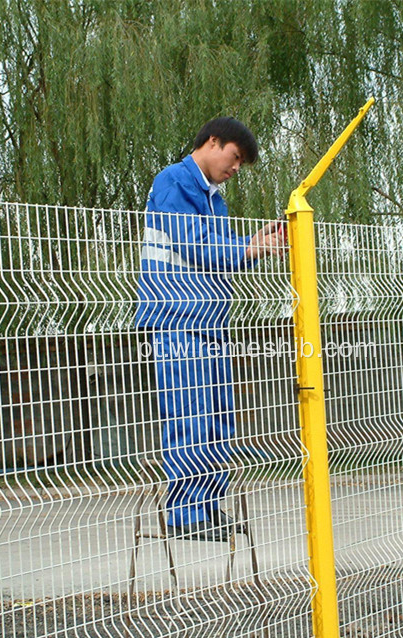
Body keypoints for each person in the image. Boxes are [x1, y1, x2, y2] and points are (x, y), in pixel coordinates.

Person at [136, 117, 285, 542]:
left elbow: (221, 253)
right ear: (213, 142)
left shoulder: (212, 199)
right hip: (176, 321)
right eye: (235, 157)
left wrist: (256, 242)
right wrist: (252, 246)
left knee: (218, 421)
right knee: (189, 417)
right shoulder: (173, 181)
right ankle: (184, 515)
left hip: (210, 325)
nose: (237, 168)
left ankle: (208, 506)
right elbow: (195, 244)